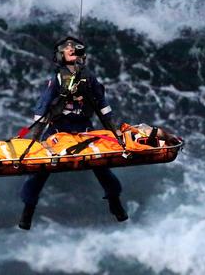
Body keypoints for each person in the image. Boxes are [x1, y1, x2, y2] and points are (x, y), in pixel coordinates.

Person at [18, 36, 128, 230]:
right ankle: (28, 210)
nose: (71, 50)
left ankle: (114, 201)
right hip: (57, 130)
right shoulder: (56, 79)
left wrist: (113, 128)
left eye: (74, 48)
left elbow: (102, 104)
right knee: (41, 170)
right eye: (66, 48)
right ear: (59, 55)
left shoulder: (90, 77)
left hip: (84, 129)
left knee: (101, 166)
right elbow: (43, 106)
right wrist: (34, 136)